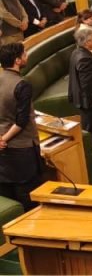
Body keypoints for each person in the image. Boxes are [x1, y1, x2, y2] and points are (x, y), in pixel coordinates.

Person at [0, 43, 43, 210]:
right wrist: (4, 139)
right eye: (24, 54)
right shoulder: (22, 85)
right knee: (29, 198)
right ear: (17, 60)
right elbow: (21, 121)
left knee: (8, 196)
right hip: (22, 150)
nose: (27, 56)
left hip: (3, 152)